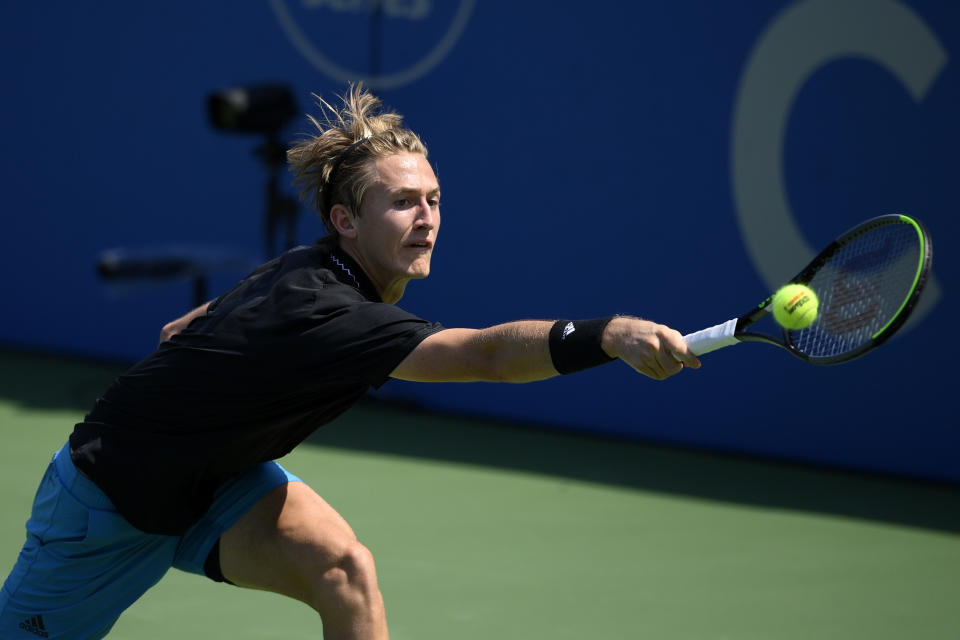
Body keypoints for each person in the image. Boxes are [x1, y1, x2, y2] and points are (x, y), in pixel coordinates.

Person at [0, 84, 700, 639]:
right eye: (401, 203)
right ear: (346, 220)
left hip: (213, 484)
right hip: (105, 507)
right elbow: (485, 356)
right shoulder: (334, 312)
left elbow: (181, 327)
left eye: (432, 200)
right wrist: (609, 334)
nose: (425, 217)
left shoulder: (317, 267)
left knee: (344, 570)